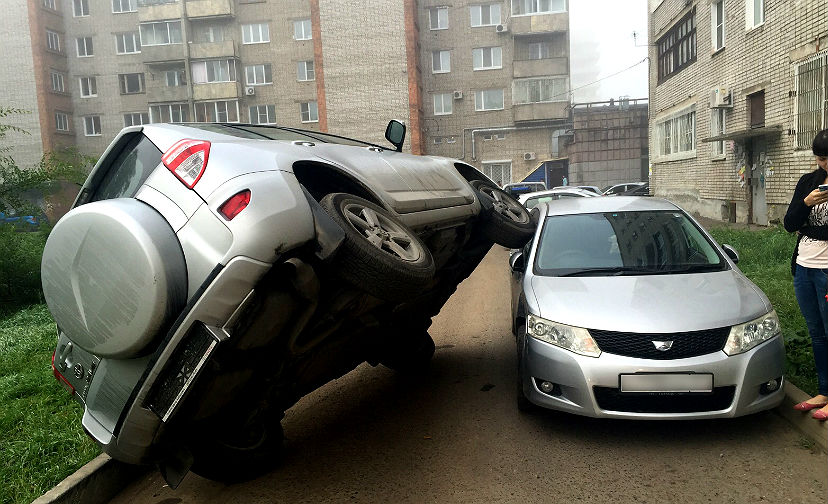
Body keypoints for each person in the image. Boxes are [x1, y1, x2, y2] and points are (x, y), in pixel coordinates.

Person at [784, 129, 828, 420]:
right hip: (804, 268)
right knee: (817, 334)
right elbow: (790, 224)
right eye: (822, 159)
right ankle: (824, 392)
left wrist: (810, 228)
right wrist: (806, 204)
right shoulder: (808, 183)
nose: (826, 164)